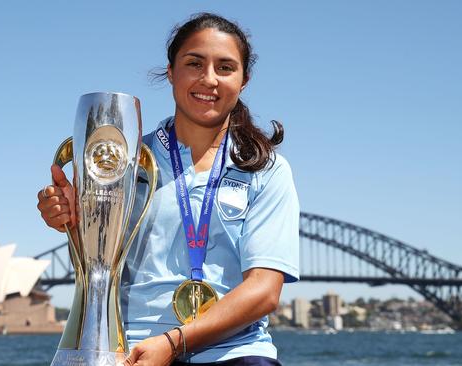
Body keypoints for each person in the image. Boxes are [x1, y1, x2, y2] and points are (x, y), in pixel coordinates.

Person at [37, 13, 299, 366]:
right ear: (171, 71)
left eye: (225, 67)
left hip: (234, 352)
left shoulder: (266, 170)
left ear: (243, 81)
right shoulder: (123, 161)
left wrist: (174, 342)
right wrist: (71, 221)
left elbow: (264, 291)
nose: (209, 79)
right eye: (194, 63)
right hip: (127, 347)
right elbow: (99, 263)